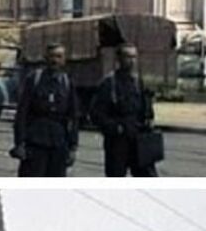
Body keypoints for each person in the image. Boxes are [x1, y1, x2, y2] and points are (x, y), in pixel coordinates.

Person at [88, 44, 158, 177]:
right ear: (119, 59)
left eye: (134, 57)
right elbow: (96, 114)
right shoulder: (109, 84)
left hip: (138, 139)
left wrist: (149, 120)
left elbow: (146, 108)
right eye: (127, 57)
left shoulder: (138, 83)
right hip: (118, 142)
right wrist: (114, 128)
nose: (131, 61)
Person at [12, 43, 79, 177]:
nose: (55, 60)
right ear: (45, 58)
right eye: (52, 56)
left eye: (59, 57)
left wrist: (73, 147)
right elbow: (22, 113)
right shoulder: (34, 79)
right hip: (35, 142)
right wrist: (19, 143)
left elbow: (73, 116)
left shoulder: (66, 82)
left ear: (64, 60)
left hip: (59, 144)